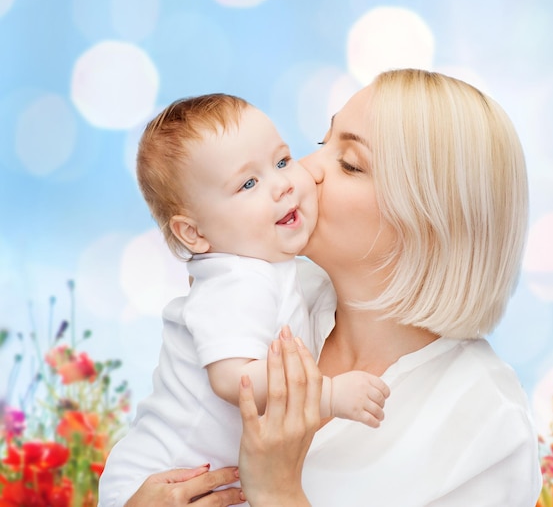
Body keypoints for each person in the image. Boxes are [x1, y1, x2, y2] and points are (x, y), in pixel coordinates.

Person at [124, 68, 543, 506]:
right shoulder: (272, 294)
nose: (305, 171)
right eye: (323, 143)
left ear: (432, 223)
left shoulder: (487, 425)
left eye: (349, 164)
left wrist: (278, 491)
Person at [98, 94, 390, 507]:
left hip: (208, 481)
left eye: (283, 161)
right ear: (195, 234)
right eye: (248, 183)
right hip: (158, 480)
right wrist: (330, 395)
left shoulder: (279, 270)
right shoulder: (237, 280)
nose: (283, 183)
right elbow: (234, 379)